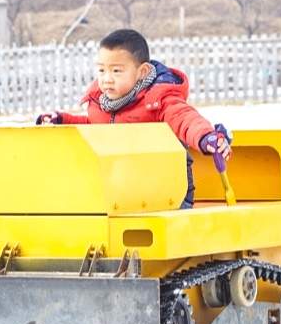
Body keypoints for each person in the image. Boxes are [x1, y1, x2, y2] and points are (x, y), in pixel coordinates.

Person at [36, 28, 230, 209]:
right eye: (102, 70)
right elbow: (95, 128)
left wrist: (205, 137)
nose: (107, 79)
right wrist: (62, 120)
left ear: (142, 72)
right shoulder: (102, 102)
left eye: (116, 71)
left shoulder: (159, 99)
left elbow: (184, 118)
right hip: (122, 189)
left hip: (166, 191)